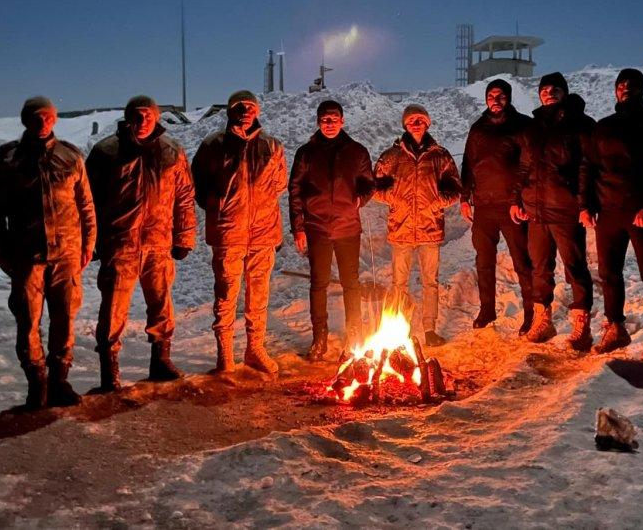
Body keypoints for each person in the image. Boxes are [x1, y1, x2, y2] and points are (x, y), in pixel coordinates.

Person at [0, 96, 96, 409]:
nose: (43, 122)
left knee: (64, 317)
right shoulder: (8, 158)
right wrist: (2, 251)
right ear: (25, 119)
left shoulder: (69, 156)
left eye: (48, 116)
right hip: (26, 256)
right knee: (28, 320)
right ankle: (36, 382)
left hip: (67, 255)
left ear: (55, 119)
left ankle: (59, 380)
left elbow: (86, 205)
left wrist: (88, 244)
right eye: (36, 116)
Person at [85, 96, 196, 392]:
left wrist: (184, 236)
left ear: (157, 117)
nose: (142, 120)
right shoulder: (106, 152)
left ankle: (160, 360)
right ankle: (109, 371)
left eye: (148, 115)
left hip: (159, 243)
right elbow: (87, 201)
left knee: (161, 304)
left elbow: (184, 197)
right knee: (113, 309)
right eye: (137, 115)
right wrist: (91, 241)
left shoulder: (171, 152)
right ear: (127, 117)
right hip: (120, 244)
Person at [192, 90, 288, 374]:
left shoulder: (272, 146)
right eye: (239, 106)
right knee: (226, 294)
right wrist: (221, 205)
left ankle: (254, 349)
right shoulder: (213, 145)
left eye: (250, 106)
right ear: (230, 111)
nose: (245, 110)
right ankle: (225, 355)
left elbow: (279, 184)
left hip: (263, 233)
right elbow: (198, 186)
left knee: (258, 295)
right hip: (228, 233)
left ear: (257, 111)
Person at [580, 69, 643, 357]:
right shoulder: (603, 127)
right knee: (609, 273)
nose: (626, 89)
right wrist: (586, 204)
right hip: (607, 210)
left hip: (640, 213)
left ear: (642, 89)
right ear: (615, 91)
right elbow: (589, 166)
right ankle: (615, 327)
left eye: (632, 85)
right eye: (621, 85)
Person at [288, 100, 374, 360]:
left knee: (351, 283)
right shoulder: (306, 153)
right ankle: (319, 337)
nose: (329, 124)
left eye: (334, 119)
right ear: (318, 122)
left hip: (348, 227)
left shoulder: (356, 151)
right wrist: (298, 228)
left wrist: (361, 199)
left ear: (342, 121)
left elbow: (368, 184)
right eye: (325, 119)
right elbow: (294, 191)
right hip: (317, 228)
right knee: (318, 284)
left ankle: (355, 333)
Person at [516, 73, 597, 347]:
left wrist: (584, 204)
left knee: (574, 267)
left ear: (564, 93)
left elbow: (587, 167)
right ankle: (543, 320)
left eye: (555, 89)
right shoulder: (534, 127)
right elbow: (524, 166)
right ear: (539, 94)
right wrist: (518, 199)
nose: (549, 93)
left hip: (565, 209)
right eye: (544, 89)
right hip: (536, 211)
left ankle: (581, 324)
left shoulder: (580, 125)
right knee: (540, 267)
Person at [373, 104, 462, 347]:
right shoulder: (392, 156)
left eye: (420, 119)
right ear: (404, 124)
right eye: (412, 119)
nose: (416, 123)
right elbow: (375, 187)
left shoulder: (439, 155)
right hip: (401, 228)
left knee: (429, 282)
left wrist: (437, 203)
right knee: (398, 283)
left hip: (429, 229)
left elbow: (455, 188)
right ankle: (398, 329)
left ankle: (430, 329)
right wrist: (392, 196)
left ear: (428, 123)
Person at [460, 79, 535, 332]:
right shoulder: (478, 128)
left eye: (501, 95)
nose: (496, 100)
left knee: (522, 261)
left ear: (509, 98)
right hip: (484, 205)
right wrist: (464, 197)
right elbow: (468, 164)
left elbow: (529, 166)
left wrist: (521, 200)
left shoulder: (522, 125)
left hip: (512, 206)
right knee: (484, 261)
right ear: (486, 99)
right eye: (491, 96)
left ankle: (531, 313)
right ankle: (487, 309)